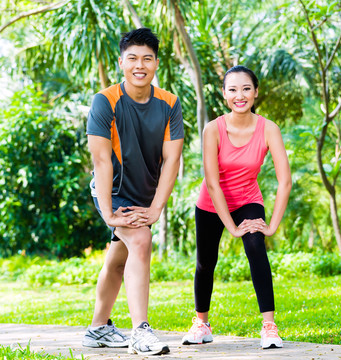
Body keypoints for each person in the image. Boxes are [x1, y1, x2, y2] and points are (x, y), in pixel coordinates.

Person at [82, 28, 184, 356]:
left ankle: (98, 328)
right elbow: (101, 160)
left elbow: (172, 159)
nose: (139, 65)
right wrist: (110, 212)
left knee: (118, 259)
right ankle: (141, 331)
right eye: (132, 58)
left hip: (144, 194)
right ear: (121, 62)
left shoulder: (169, 103)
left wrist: (155, 208)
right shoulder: (105, 101)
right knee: (140, 241)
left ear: (156, 64)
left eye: (147, 58)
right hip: (110, 190)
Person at [181, 65, 292, 349]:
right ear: (224, 94)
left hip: (247, 199)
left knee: (256, 247)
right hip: (210, 203)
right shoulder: (213, 129)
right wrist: (230, 227)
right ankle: (201, 323)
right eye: (232, 89)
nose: (239, 95)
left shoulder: (269, 129)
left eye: (245, 89)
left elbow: (285, 181)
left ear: (255, 92)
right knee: (205, 262)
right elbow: (213, 182)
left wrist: (272, 226)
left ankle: (269, 326)